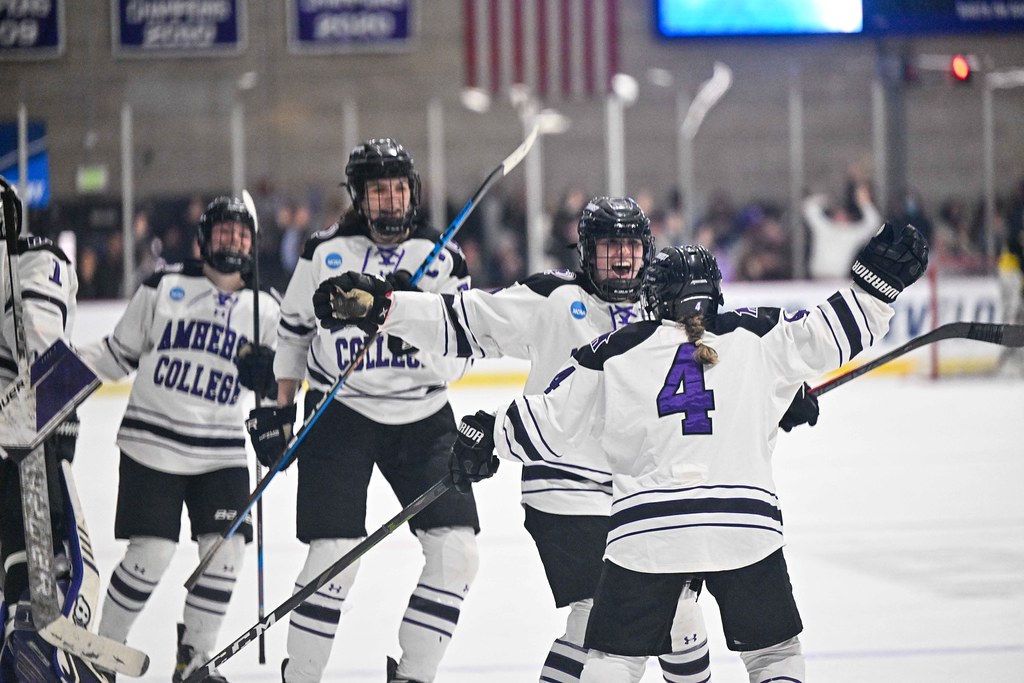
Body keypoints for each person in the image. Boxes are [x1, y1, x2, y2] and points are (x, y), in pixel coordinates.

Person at [312, 197, 819, 681]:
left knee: (671, 618)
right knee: (614, 614)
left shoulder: (660, 310)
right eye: (608, 247)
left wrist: (781, 393)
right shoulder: (551, 299)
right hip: (564, 488)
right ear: (585, 253)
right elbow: (462, 319)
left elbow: (714, 378)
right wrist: (385, 306)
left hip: (636, 495)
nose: (622, 259)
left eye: (631, 247)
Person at [448, 223, 928, 681]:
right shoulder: (756, 336)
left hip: (647, 531)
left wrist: (489, 433)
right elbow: (830, 333)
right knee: (774, 655)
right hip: (745, 525)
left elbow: (551, 422)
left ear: (654, 296)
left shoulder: (613, 351)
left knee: (612, 659)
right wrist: (874, 288)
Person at [247, 138, 479, 683]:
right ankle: (300, 675)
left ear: (413, 193)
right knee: (333, 558)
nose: (391, 201)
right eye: (378, 191)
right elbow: (296, 329)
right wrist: (280, 407)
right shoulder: (324, 251)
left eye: (399, 189)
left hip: (424, 418)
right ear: (357, 196)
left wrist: (412, 314)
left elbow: (461, 361)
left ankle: (413, 674)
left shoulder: (441, 259)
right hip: (339, 409)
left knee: (457, 555)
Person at [77, 196, 280, 683]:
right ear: (203, 239)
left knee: (226, 554)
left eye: (242, 234)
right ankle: (102, 655)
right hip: (153, 445)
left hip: (221, 451)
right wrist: (54, 374)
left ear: (253, 244)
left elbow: (287, 385)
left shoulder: (266, 309)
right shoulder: (162, 286)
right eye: (224, 232)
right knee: (152, 554)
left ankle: (196, 662)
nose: (233, 240)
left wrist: (269, 385)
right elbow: (115, 355)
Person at [0, 180, 114, 681]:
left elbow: (48, 352)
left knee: (31, 539)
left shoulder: (35, 259)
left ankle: (37, 618)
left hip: (29, 429)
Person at [802, 178, 881, 280]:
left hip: (838, 280)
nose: (840, 216)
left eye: (844, 214)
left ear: (849, 218)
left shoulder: (852, 233)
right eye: (838, 214)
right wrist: (826, 199)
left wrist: (864, 203)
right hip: (816, 279)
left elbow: (873, 224)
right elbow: (809, 208)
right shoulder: (824, 227)